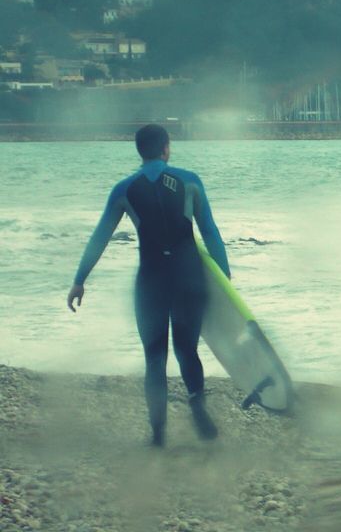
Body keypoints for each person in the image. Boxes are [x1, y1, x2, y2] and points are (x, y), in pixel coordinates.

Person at [66, 124, 229, 447]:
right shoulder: (190, 181)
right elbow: (210, 232)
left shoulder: (124, 190)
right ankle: (198, 409)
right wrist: (225, 282)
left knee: (154, 356)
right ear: (166, 148)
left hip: (151, 283)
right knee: (187, 349)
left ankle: (158, 435)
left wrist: (79, 280)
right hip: (188, 279)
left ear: (139, 151)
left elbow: (100, 236)